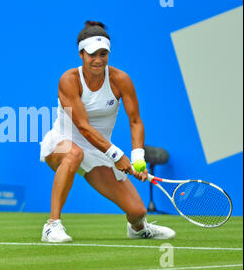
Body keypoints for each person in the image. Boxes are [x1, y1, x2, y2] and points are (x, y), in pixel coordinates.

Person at [40, 21, 175, 242]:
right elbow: (83, 127)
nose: (98, 60)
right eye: (92, 54)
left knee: (137, 211)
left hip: (98, 151)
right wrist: (116, 155)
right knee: (75, 153)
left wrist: (138, 158)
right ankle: (52, 226)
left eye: (103, 54)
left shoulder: (120, 80)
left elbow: (135, 120)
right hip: (63, 143)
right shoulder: (69, 80)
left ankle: (138, 228)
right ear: (81, 54)